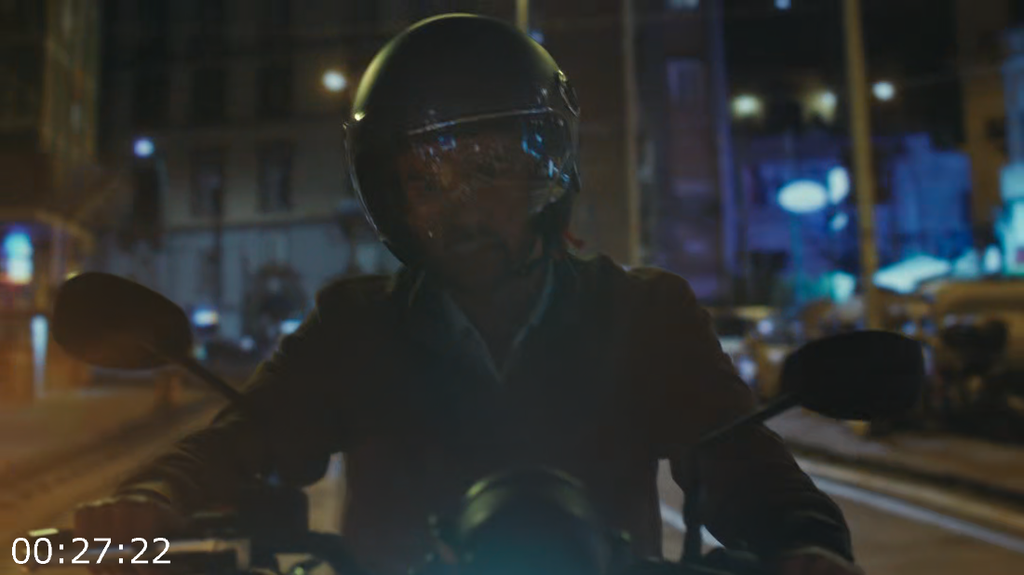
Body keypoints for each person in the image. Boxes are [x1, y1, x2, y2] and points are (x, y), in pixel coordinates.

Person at [76, 14, 862, 575]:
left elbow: (743, 462)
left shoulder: (643, 314)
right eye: (426, 181)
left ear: (544, 170)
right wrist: (150, 500)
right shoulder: (355, 324)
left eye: (489, 171)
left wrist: (807, 541)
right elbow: (244, 439)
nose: (462, 206)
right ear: (392, 197)